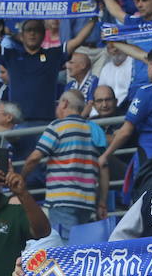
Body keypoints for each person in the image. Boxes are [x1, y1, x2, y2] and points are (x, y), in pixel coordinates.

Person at [0, 16, 96, 125]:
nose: (32, 33)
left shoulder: (53, 55)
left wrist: (94, 19)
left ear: (43, 35)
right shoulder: (11, 56)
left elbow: (78, 40)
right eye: (28, 30)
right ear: (21, 36)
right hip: (18, 124)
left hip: (46, 123)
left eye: (36, 30)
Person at [22, 90, 105, 238]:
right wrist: (102, 202)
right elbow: (103, 166)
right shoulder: (93, 129)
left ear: (65, 103)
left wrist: (21, 177)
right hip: (87, 202)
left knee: (67, 249)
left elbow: (35, 158)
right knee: (82, 248)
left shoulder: (57, 127)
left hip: (62, 201)